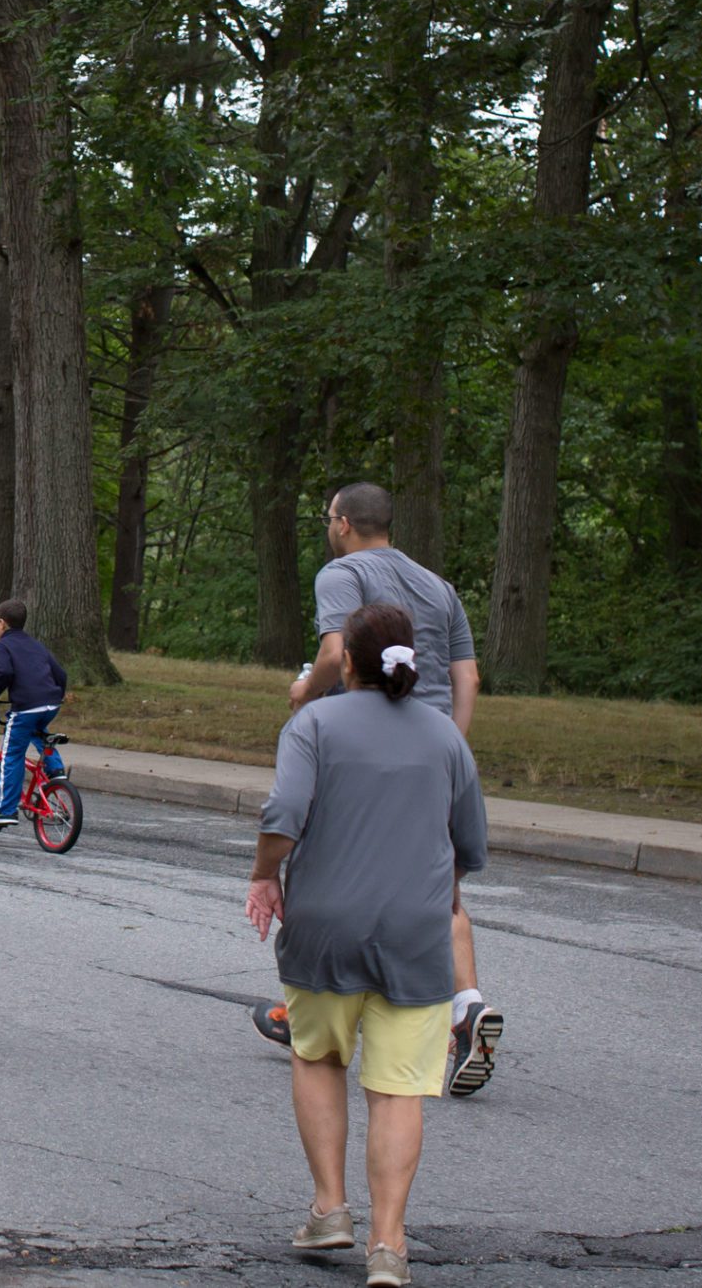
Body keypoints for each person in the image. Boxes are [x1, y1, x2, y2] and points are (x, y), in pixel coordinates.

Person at [249, 602, 488, 1288]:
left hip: (324, 928)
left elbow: (283, 815)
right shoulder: (445, 736)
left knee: (319, 1055)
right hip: (415, 936)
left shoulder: (313, 723)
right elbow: (469, 843)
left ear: (346, 660)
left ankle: (330, 1207)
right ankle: (388, 1243)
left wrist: (265, 874)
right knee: (398, 1090)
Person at [256, 481, 500, 1101]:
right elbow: (467, 674)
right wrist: (451, 747)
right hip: (433, 746)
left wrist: (303, 695)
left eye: (326, 518)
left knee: (332, 862)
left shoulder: (341, 574)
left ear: (342, 523)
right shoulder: (440, 587)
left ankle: (305, 1006)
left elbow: (335, 655)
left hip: (357, 739)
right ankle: (466, 1006)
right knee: (435, 881)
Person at [0, 598, 69, 828]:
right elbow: (61, 673)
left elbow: (4, 672)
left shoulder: (0, 646)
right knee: (38, 731)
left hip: (27, 707)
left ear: (2, 623)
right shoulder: (36, 644)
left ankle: (6, 810)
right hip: (51, 704)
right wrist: (57, 695)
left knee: (12, 755)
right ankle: (56, 771)